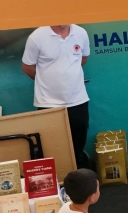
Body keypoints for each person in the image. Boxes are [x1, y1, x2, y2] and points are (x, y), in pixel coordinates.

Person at [21, 25, 91, 168]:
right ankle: (59, 177)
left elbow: (83, 58)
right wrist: (46, 81)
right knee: (50, 145)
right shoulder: (37, 37)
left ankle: (77, 174)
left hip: (78, 100)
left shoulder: (81, 33)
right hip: (48, 103)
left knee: (78, 144)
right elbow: (27, 67)